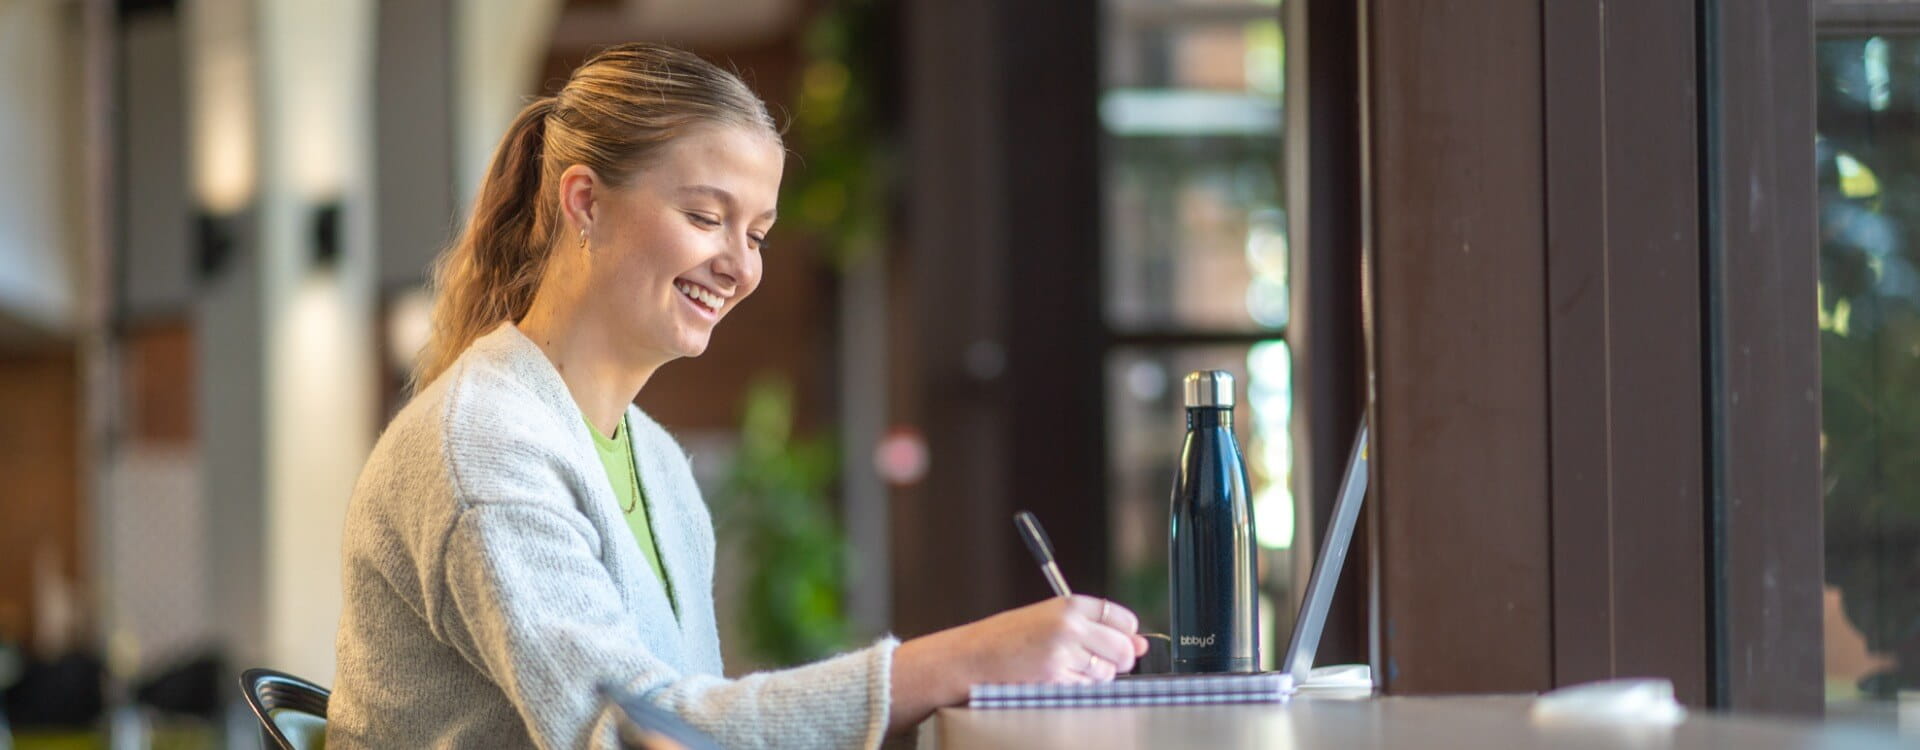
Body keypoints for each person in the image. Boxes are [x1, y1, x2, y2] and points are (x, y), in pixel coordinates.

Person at [326, 43, 1146, 749]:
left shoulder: (654, 462)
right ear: (585, 203)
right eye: (705, 216)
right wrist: (957, 660)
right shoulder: (486, 444)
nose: (740, 266)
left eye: (756, 234)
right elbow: (644, 736)